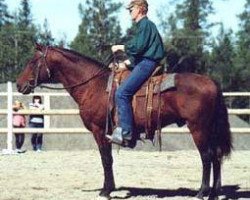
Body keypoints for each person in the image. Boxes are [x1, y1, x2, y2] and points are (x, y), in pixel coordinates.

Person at [106, 0, 165, 145]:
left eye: (131, 9)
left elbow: (138, 48)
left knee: (121, 93)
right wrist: (125, 64)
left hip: (147, 63)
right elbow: (140, 52)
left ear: (140, 9)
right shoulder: (144, 26)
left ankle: (125, 133)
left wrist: (121, 47)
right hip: (144, 62)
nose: (129, 12)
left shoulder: (145, 25)